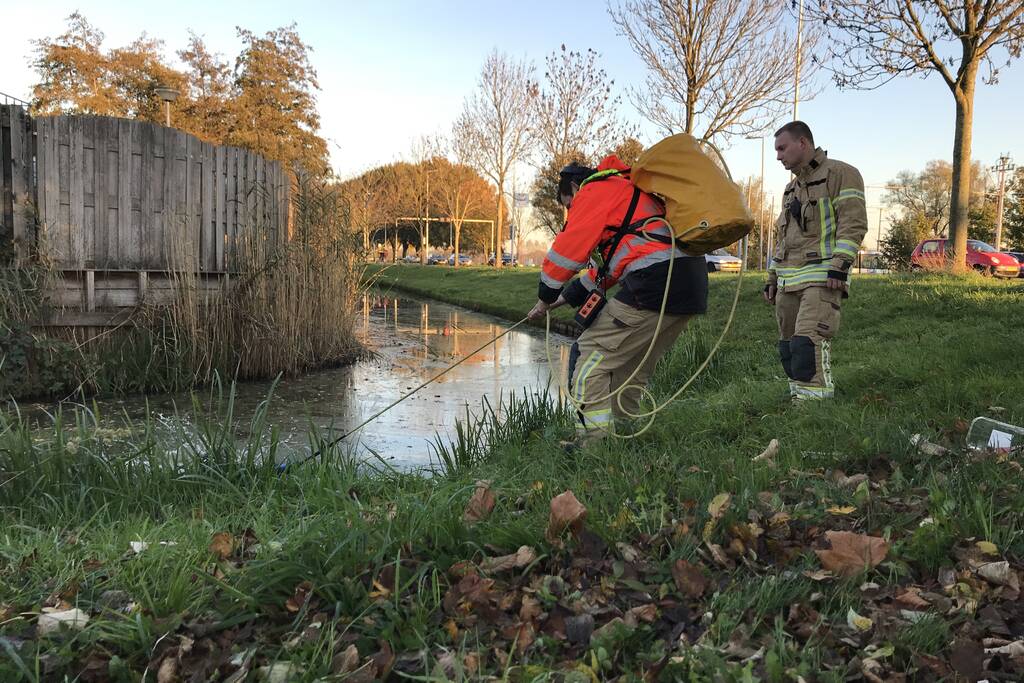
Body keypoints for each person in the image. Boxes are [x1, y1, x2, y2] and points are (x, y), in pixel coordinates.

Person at [528, 156, 709, 445]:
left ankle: (594, 448)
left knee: (588, 359)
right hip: (689, 283)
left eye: (568, 206)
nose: (569, 213)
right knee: (629, 370)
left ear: (575, 187)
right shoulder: (626, 192)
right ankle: (626, 440)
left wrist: (545, 291)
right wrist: (552, 302)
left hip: (653, 285)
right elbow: (604, 274)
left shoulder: (594, 190)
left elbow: (567, 252)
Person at [764, 121, 867, 401]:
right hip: (788, 279)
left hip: (822, 276)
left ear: (803, 143)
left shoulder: (841, 174)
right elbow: (783, 238)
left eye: (782, 148)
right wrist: (772, 277)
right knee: (789, 349)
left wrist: (840, 265)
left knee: (806, 343)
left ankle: (814, 409)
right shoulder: (790, 189)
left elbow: (853, 224)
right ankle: (799, 401)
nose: (778, 156)